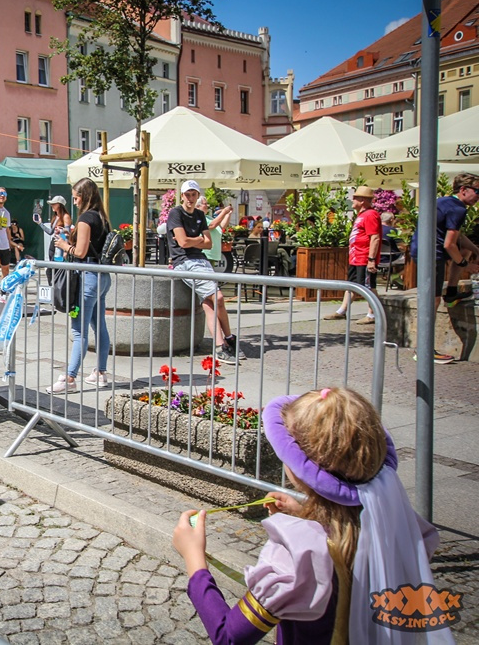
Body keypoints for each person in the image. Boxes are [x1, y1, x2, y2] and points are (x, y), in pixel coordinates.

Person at [173, 387, 447, 644]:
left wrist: (194, 558)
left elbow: (228, 636)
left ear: (300, 467)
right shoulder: (399, 522)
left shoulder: (302, 553)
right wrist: (306, 514)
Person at [166, 180, 246, 364]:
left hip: (201, 260)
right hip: (185, 262)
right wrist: (198, 239)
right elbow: (183, 243)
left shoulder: (200, 215)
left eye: (193, 195)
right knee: (218, 298)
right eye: (187, 195)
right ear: (182, 196)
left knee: (210, 303)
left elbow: (208, 243)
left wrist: (192, 240)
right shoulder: (176, 213)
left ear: (197, 196)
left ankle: (222, 344)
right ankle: (227, 341)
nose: (190, 198)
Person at [48, 178, 112, 392]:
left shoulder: (85, 218)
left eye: (75, 198)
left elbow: (81, 252)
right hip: (102, 277)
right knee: (99, 327)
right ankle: (100, 373)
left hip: (87, 278)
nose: (74, 202)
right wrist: (70, 238)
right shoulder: (102, 217)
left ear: (83, 197)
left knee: (79, 332)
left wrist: (64, 244)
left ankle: (70, 378)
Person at [410, 173, 479, 363]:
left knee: (465, 250)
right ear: (463, 190)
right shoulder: (458, 209)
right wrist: (467, 265)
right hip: (432, 255)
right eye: (477, 191)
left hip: (422, 250)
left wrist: (475, 250)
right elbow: (449, 245)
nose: (478, 197)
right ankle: (423, 350)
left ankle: (452, 292)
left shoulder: (443, 201)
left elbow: (457, 237)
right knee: (432, 301)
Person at [323, 185, 382, 325]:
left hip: (364, 257)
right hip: (356, 257)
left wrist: (371, 259)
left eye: (355, 198)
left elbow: (375, 237)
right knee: (352, 285)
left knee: (368, 286)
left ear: (362, 200)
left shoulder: (371, 214)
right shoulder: (362, 215)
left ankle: (373, 314)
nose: (352, 199)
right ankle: (341, 311)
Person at [198, 196, 232, 268]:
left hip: (212, 254)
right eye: (205, 204)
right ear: (198, 206)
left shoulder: (208, 217)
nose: (208, 206)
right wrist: (224, 212)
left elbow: (221, 226)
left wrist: (228, 214)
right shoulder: (199, 217)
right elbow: (212, 225)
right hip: (205, 254)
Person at [42, 195, 73, 261]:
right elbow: (50, 232)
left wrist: (65, 250)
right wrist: (40, 223)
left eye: (53, 204)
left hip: (61, 243)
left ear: (59, 205)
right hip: (54, 242)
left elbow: (67, 234)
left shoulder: (66, 216)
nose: (51, 205)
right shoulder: (56, 217)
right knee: (52, 262)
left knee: (58, 263)